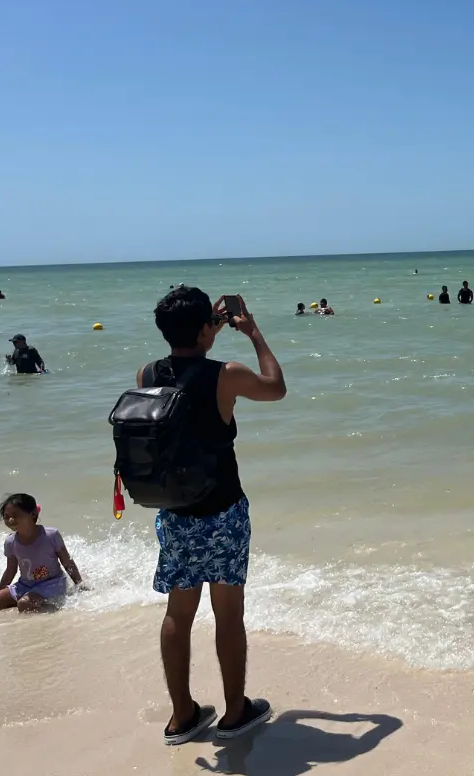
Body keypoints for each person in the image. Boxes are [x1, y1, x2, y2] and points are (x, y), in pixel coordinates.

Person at [141, 286, 286, 745]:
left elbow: (185, 366)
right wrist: (253, 332)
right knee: (227, 614)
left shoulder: (147, 373)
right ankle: (235, 711)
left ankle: (182, 716)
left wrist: (209, 328)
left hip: (174, 513)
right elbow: (276, 387)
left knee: (177, 614)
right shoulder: (227, 374)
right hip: (222, 512)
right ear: (207, 328)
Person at [0, 493, 85, 613]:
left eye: (15, 515)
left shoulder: (50, 535)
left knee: (24, 604)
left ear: (33, 514)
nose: (10, 520)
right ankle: (28, 600)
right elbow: (10, 570)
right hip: (25, 585)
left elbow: (67, 562)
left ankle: (53, 609)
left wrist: (79, 584)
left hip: (52, 584)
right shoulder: (10, 541)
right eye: (6, 516)